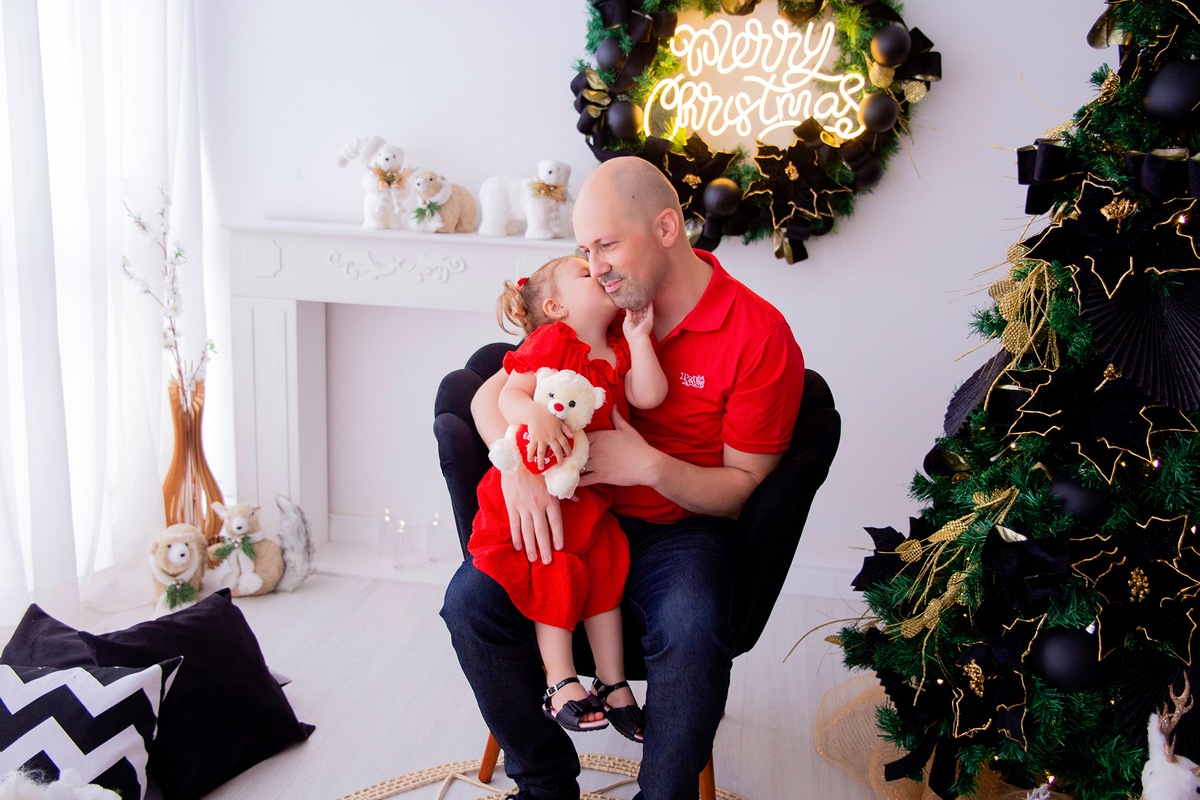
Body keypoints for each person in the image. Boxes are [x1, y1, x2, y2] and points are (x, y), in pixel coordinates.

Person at [442, 156, 805, 800]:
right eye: (585, 250)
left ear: (667, 228)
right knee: (469, 604)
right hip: (573, 513)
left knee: (692, 629)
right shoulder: (596, 310)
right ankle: (546, 783)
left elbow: (743, 487)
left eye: (606, 244)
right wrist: (517, 467)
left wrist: (649, 467)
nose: (596, 265)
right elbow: (487, 389)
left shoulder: (758, 334)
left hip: (677, 532)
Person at [467, 254, 667, 740]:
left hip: (586, 493)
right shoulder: (553, 341)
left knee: (607, 565)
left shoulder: (619, 348)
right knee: (555, 566)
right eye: (584, 273)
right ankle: (560, 681)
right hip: (540, 482)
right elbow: (507, 396)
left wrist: (640, 340)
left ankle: (613, 681)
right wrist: (532, 418)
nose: (597, 272)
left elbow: (648, 397)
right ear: (555, 306)